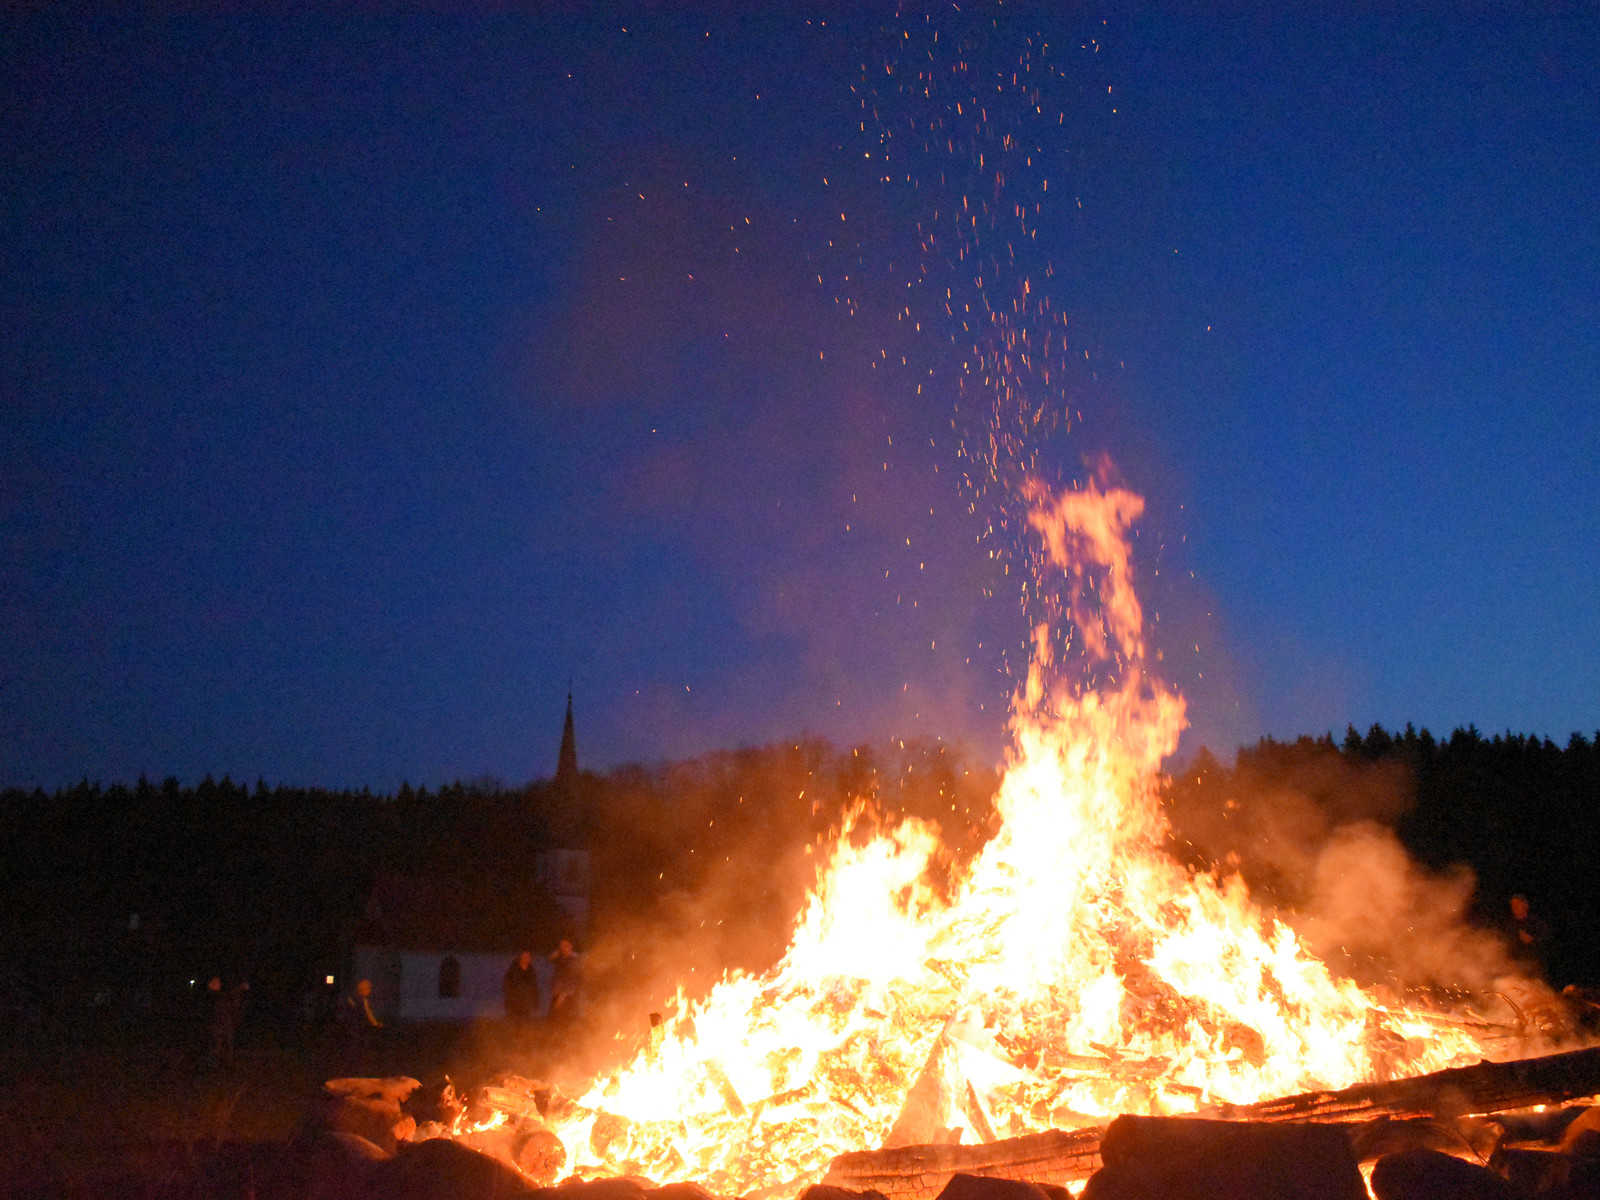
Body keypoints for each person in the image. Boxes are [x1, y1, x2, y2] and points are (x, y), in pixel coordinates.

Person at [338, 978, 383, 1071]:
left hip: (349, 1027)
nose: (370, 991)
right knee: (360, 1048)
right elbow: (368, 1014)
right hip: (359, 1028)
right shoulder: (363, 1001)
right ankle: (359, 1067)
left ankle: (349, 1066)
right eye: (369, 988)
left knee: (351, 1047)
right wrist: (375, 1024)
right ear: (364, 989)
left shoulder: (350, 998)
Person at [204, 975, 248, 1068]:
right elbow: (229, 996)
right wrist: (241, 988)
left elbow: (231, 1000)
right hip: (219, 1024)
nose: (219, 984)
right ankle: (214, 1064)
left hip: (224, 1023)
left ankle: (226, 1064)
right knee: (217, 1044)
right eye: (216, 983)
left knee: (226, 1043)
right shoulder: (213, 997)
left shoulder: (218, 996)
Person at [502, 951, 540, 1028]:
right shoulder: (513, 970)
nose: (525, 959)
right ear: (520, 957)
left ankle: (524, 1038)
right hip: (514, 1004)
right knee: (514, 1025)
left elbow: (534, 988)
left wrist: (536, 1004)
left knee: (525, 1025)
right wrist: (511, 997)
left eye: (527, 957)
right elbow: (506, 985)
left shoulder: (531, 971)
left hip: (527, 1004)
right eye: (523, 957)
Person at [548, 939, 581, 1025]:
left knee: (563, 1023)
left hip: (566, 998)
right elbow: (550, 959)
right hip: (558, 994)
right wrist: (559, 952)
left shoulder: (573, 961)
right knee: (554, 1023)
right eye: (561, 946)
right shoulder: (562, 959)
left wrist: (561, 997)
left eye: (565, 946)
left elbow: (571, 980)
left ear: (571, 947)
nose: (563, 948)